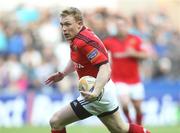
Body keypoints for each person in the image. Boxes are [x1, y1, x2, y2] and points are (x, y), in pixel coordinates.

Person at [45, 7, 150, 133]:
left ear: (79, 24)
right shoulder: (78, 37)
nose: (64, 29)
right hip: (102, 90)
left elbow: (105, 68)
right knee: (120, 129)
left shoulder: (84, 41)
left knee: (56, 121)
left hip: (97, 92)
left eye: (67, 24)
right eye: (62, 25)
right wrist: (63, 74)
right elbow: (77, 60)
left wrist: (96, 92)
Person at [103, 16, 149, 125]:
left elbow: (145, 55)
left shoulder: (135, 40)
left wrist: (134, 54)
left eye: (122, 25)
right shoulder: (109, 41)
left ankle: (138, 125)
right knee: (124, 103)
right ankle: (130, 123)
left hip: (135, 80)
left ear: (127, 26)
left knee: (138, 107)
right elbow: (101, 53)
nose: (120, 28)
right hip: (119, 79)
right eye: (118, 26)